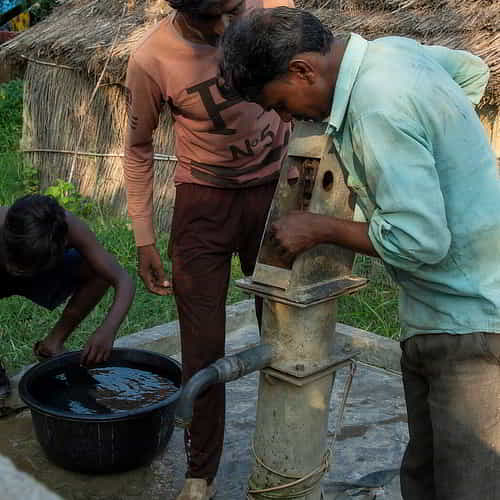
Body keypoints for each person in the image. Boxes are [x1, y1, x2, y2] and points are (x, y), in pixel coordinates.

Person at [218, 7, 500, 500]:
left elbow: (420, 242)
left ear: (303, 70)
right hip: (439, 310)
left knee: (467, 484)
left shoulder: (377, 108)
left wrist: (320, 227)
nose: (286, 119)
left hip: (472, 323)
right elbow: (471, 69)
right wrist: (435, 151)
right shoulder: (393, 52)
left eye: (281, 104)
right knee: (425, 474)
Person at [123, 0, 293, 497]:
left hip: (275, 194)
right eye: (208, 18)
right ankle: (201, 473)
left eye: (233, 9)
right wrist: (144, 237)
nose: (225, 27)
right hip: (203, 205)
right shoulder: (153, 59)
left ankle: (287, 447)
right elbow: (137, 147)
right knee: (202, 346)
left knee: (287, 331)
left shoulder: (275, 11)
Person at [0, 194, 136, 398]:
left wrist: (107, 330)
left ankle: (52, 344)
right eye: (16, 264)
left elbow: (123, 279)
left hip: (39, 267)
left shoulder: (68, 227)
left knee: (97, 270)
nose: (16, 270)